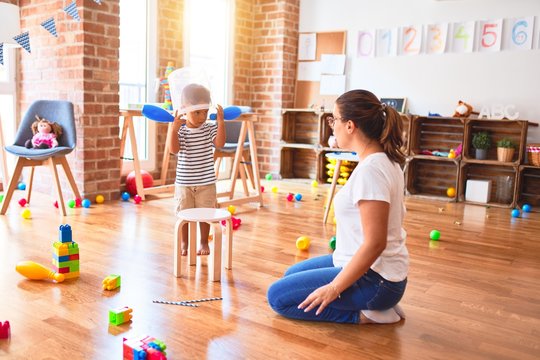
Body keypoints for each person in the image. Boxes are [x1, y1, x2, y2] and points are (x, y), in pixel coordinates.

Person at [267, 89, 408, 324]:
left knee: (278, 298)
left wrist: (334, 288)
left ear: (350, 125)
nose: (332, 126)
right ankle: (376, 302)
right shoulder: (383, 160)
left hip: (377, 280)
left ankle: (367, 313)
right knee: (290, 276)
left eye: (335, 119)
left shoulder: (370, 171)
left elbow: (376, 243)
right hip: (374, 271)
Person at [167, 83, 225, 256]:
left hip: (206, 183)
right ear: (184, 109)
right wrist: (174, 129)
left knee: (205, 215)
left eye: (205, 112)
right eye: (197, 112)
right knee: (184, 215)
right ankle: (185, 243)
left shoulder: (209, 128)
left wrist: (220, 122)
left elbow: (220, 144)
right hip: (184, 184)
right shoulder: (182, 131)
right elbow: (173, 149)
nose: (202, 117)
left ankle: (203, 242)